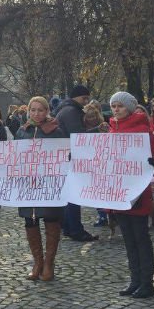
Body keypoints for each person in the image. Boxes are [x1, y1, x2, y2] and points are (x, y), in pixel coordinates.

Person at [106, 91, 154, 298]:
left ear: (129, 108)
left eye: (120, 106)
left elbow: (151, 154)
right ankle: (135, 279)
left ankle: (147, 282)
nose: (116, 109)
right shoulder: (112, 128)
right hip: (118, 190)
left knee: (140, 237)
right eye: (113, 106)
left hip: (137, 192)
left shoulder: (142, 129)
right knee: (128, 238)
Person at [13, 97, 65, 281]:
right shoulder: (22, 131)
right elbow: (13, 156)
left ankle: (49, 263)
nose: (36, 113)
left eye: (40, 110)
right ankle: (38, 262)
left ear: (47, 111)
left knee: (51, 219)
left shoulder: (56, 131)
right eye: (33, 110)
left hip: (48, 184)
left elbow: (64, 155)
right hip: (28, 185)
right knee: (30, 220)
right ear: (28, 111)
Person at [55, 85, 98, 242]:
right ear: (75, 97)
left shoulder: (66, 109)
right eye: (84, 98)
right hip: (71, 157)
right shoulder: (71, 112)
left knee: (69, 195)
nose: (86, 101)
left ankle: (68, 227)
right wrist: (98, 130)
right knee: (73, 196)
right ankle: (75, 230)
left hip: (66, 156)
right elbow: (79, 137)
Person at [83, 103, 111, 227]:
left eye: (94, 116)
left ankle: (109, 215)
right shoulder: (82, 128)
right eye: (89, 117)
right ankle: (102, 215)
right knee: (96, 192)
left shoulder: (103, 126)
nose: (92, 119)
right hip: (91, 164)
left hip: (104, 162)